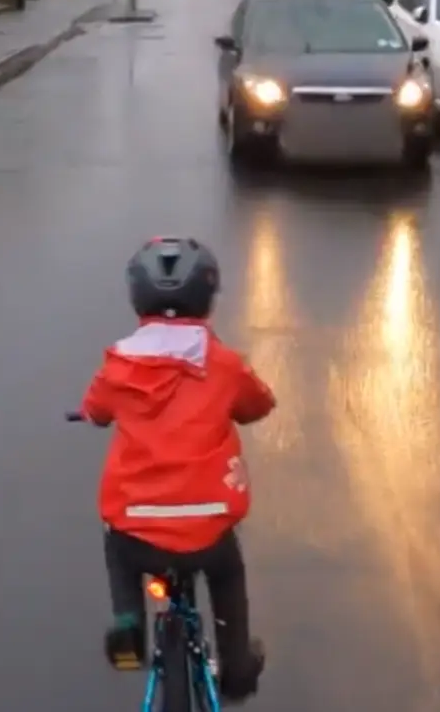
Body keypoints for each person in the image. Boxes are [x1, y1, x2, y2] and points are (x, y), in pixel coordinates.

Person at [78, 236, 273, 704]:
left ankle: (128, 622)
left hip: (138, 528)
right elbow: (259, 403)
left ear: (137, 297)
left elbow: (96, 410)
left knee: (117, 544)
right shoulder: (225, 366)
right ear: (207, 298)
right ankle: (238, 668)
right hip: (208, 530)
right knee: (227, 573)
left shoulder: (118, 365)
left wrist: (96, 412)